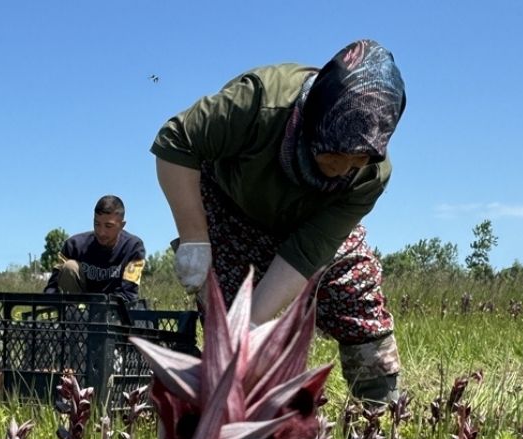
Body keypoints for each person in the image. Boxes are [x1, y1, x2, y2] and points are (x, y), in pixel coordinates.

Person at [151, 39, 406, 405]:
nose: (341, 170)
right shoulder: (261, 102)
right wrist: (194, 240)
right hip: (230, 210)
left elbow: (309, 250)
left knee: (357, 295)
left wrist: (253, 320)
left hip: (307, 229)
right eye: (333, 154)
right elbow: (176, 142)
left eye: (357, 160)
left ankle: (379, 420)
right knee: (226, 329)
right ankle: (228, 424)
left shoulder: (370, 176)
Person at [44, 195, 147, 303]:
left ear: (122, 225)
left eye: (108, 226)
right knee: (69, 266)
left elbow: (128, 294)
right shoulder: (73, 245)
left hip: (114, 310)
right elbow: (52, 287)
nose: (101, 232)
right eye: (97, 224)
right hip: (78, 309)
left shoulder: (134, 248)